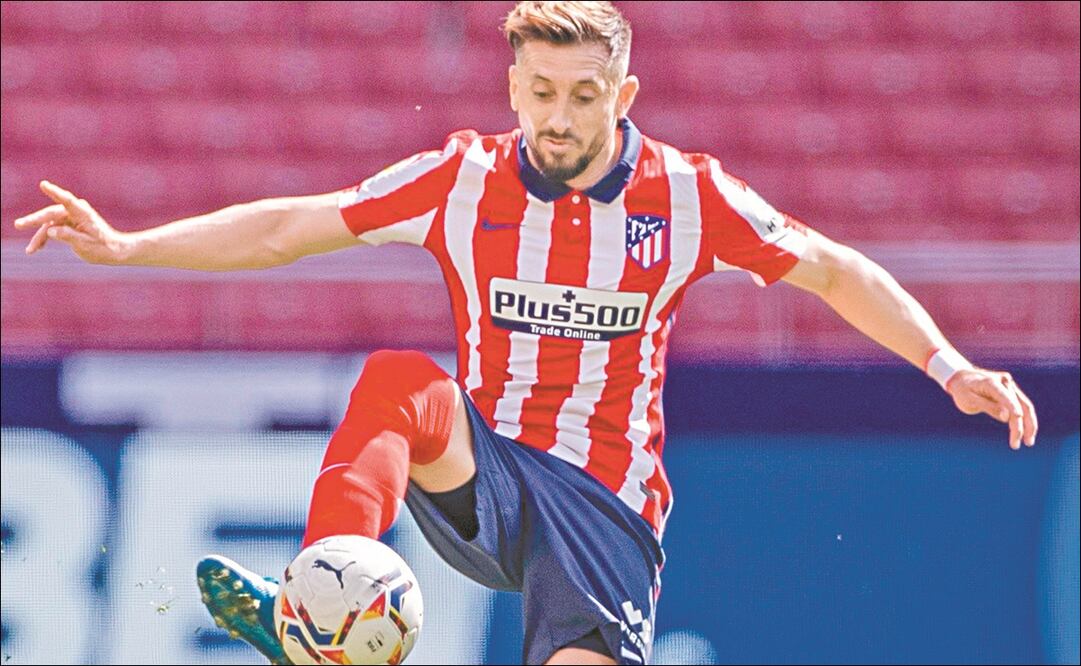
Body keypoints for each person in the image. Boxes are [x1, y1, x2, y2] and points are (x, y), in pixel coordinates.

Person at [13, 2, 1038, 664]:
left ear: (622, 95)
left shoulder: (690, 197)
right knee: (401, 380)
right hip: (490, 470)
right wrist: (128, 245)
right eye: (539, 92)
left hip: (606, 508)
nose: (556, 116)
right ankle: (321, 597)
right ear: (512, 87)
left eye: (581, 96)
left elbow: (829, 269)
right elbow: (292, 226)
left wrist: (946, 365)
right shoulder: (464, 177)